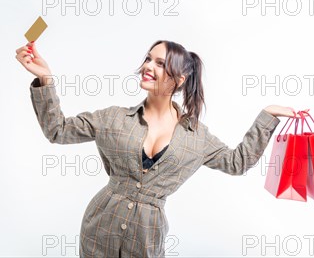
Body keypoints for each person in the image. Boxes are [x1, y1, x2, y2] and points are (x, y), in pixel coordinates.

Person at [15, 40, 296, 257]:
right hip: (99, 226)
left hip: (147, 235)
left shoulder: (196, 137)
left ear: (180, 79)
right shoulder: (113, 118)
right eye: (148, 59)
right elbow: (58, 130)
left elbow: (238, 162)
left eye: (160, 63)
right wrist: (46, 79)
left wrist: (267, 116)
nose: (148, 66)